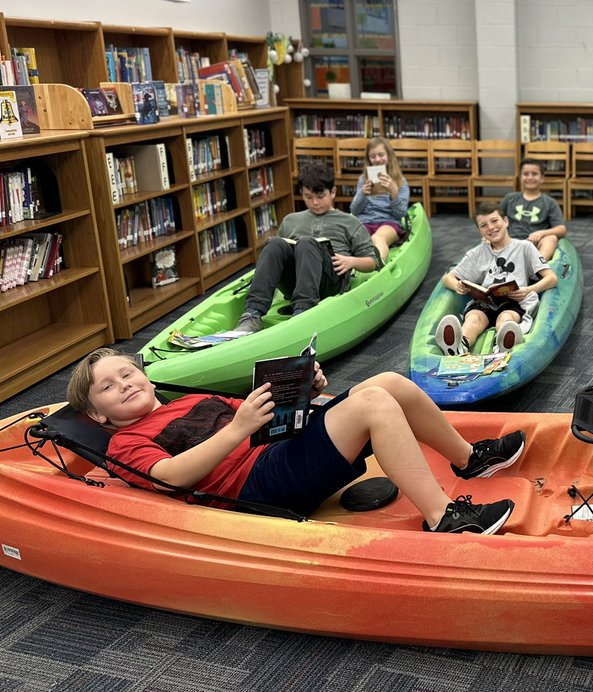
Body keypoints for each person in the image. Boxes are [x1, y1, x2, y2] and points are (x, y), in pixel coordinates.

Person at [68, 348, 524, 533]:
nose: (124, 384)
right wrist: (238, 428)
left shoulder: (194, 399)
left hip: (277, 450)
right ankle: (443, 517)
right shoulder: (124, 443)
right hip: (257, 486)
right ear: (96, 414)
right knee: (373, 406)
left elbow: (266, 419)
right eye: (108, 387)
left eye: (127, 372)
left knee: (386, 381)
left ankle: (470, 459)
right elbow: (168, 478)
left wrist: (305, 392)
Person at [236, 162, 379, 334]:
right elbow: (280, 256)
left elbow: (372, 261)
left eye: (320, 196)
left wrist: (352, 261)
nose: (315, 202)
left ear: (333, 192)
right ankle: (252, 314)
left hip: (331, 280)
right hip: (296, 281)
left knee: (307, 243)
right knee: (274, 243)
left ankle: (302, 313)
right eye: (308, 197)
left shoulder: (350, 222)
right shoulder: (290, 220)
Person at [436, 203, 558, 356]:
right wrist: (457, 285)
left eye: (495, 221)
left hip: (512, 301)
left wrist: (528, 290)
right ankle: (458, 345)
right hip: (484, 302)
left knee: (506, 318)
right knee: (474, 318)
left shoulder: (524, 247)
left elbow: (551, 278)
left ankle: (503, 344)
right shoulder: (477, 253)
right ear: (480, 231)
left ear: (505, 221)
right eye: (484, 225)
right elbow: (448, 278)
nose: (491, 228)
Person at [350, 137, 410, 264]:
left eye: (381, 155)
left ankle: (377, 264)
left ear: (389, 156)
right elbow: (354, 211)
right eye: (372, 156)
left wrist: (394, 192)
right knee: (354, 240)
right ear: (368, 159)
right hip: (365, 221)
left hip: (389, 223)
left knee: (378, 237)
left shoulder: (400, 182)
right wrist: (362, 194)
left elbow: (401, 214)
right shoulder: (363, 179)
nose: (377, 160)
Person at [500, 159, 567, 260]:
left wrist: (541, 233)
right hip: (509, 242)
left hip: (535, 246)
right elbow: (495, 219)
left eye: (534, 174)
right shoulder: (509, 199)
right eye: (526, 174)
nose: (530, 177)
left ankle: (536, 268)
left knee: (551, 239)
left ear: (542, 178)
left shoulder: (550, 203)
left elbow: (561, 229)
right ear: (520, 177)